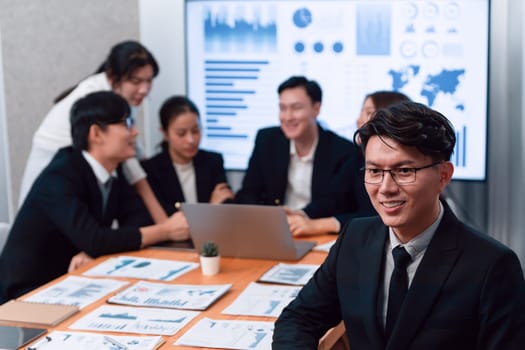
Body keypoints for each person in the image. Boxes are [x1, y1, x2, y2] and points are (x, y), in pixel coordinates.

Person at [273, 101, 525, 349]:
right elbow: (299, 318)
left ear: (443, 175)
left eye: (404, 171)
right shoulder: (355, 238)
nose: (385, 188)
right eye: (374, 171)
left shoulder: (492, 266)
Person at [0, 91, 190, 303]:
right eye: (126, 123)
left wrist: (94, 250)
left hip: (71, 282)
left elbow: (137, 218)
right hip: (26, 292)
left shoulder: (114, 170)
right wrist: (165, 230)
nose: (135, 132)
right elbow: (95, 239)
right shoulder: (61, 175)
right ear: (97, 133)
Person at [18, 40, 166, 223]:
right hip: (53, 184)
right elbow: (132, 167)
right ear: (113, 76)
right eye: (136, 81)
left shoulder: (123, 96)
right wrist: (165, 226)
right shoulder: (95, 98)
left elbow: (137, 152)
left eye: (149, 81)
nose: (144, 90)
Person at [287, 91, 410, 236]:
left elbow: (380, 213)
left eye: (368, 113)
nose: (359, 120)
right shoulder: (357, 156)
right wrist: (301, 214)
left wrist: (323, 224)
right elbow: (333, 199)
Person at [235, 76, 356, 212]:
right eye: (282, 108)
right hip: (275, 224)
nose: (288, 117)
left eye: (296, 108)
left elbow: (334, 203)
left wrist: (300, 216)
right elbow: (248, 193)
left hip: (316, 227)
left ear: (316, 109)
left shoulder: (342, 151)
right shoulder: (267, 140)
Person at [141, 96, 234, 216]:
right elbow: (165, 216)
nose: (190, 140)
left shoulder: (212, 161)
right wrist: (211, 207)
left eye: (195, 131)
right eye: (181, 133)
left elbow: (225, 203)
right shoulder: (151, 169)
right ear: (165, 133)